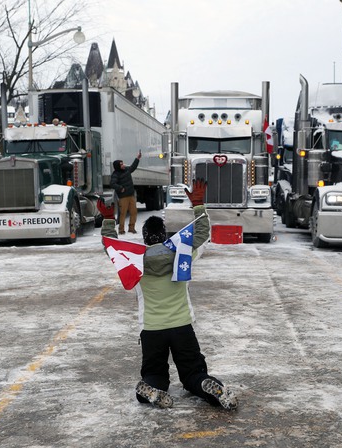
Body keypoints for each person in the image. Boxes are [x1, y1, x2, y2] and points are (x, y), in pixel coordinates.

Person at [97, 179, 238, 410]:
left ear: (144, 238)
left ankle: (150, 388)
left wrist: (108, 221)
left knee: (154, 374)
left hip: (152, 330)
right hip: (182, 326)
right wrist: (199, 205)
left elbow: (111, 247)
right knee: (193, 372)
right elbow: (203, 234)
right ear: (164, 235)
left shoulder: (135, 262)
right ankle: (207, 384)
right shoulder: (181, 255)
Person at [110, 150, 142, 234]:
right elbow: (112, 184)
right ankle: (121, 229)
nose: (123, 165)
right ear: (117, 166)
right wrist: (120, 188)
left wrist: (137, 158)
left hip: (131, 195)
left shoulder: (127, 170)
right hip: (123, 197)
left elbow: (133, 167)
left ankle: (131, 228)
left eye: (122, 163)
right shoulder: (115, 174)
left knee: (133, 212)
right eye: (121, 164)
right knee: (123, 213)